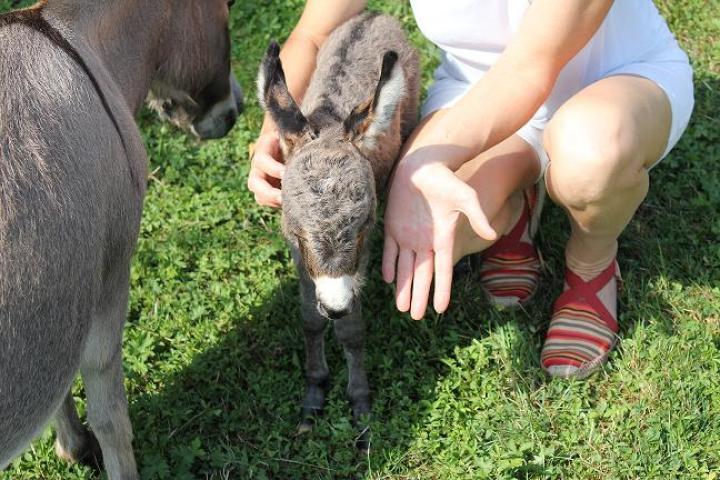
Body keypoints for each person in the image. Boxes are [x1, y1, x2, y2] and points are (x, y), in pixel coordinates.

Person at [247, 0, 694, 379]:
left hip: (612, 79)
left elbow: (532, 66)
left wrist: (417, 165)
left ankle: (591, 264)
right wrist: (276, 131)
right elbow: (313, 34)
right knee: (438, 232)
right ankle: (516, 201)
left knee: (589, 153)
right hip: (476, 93)